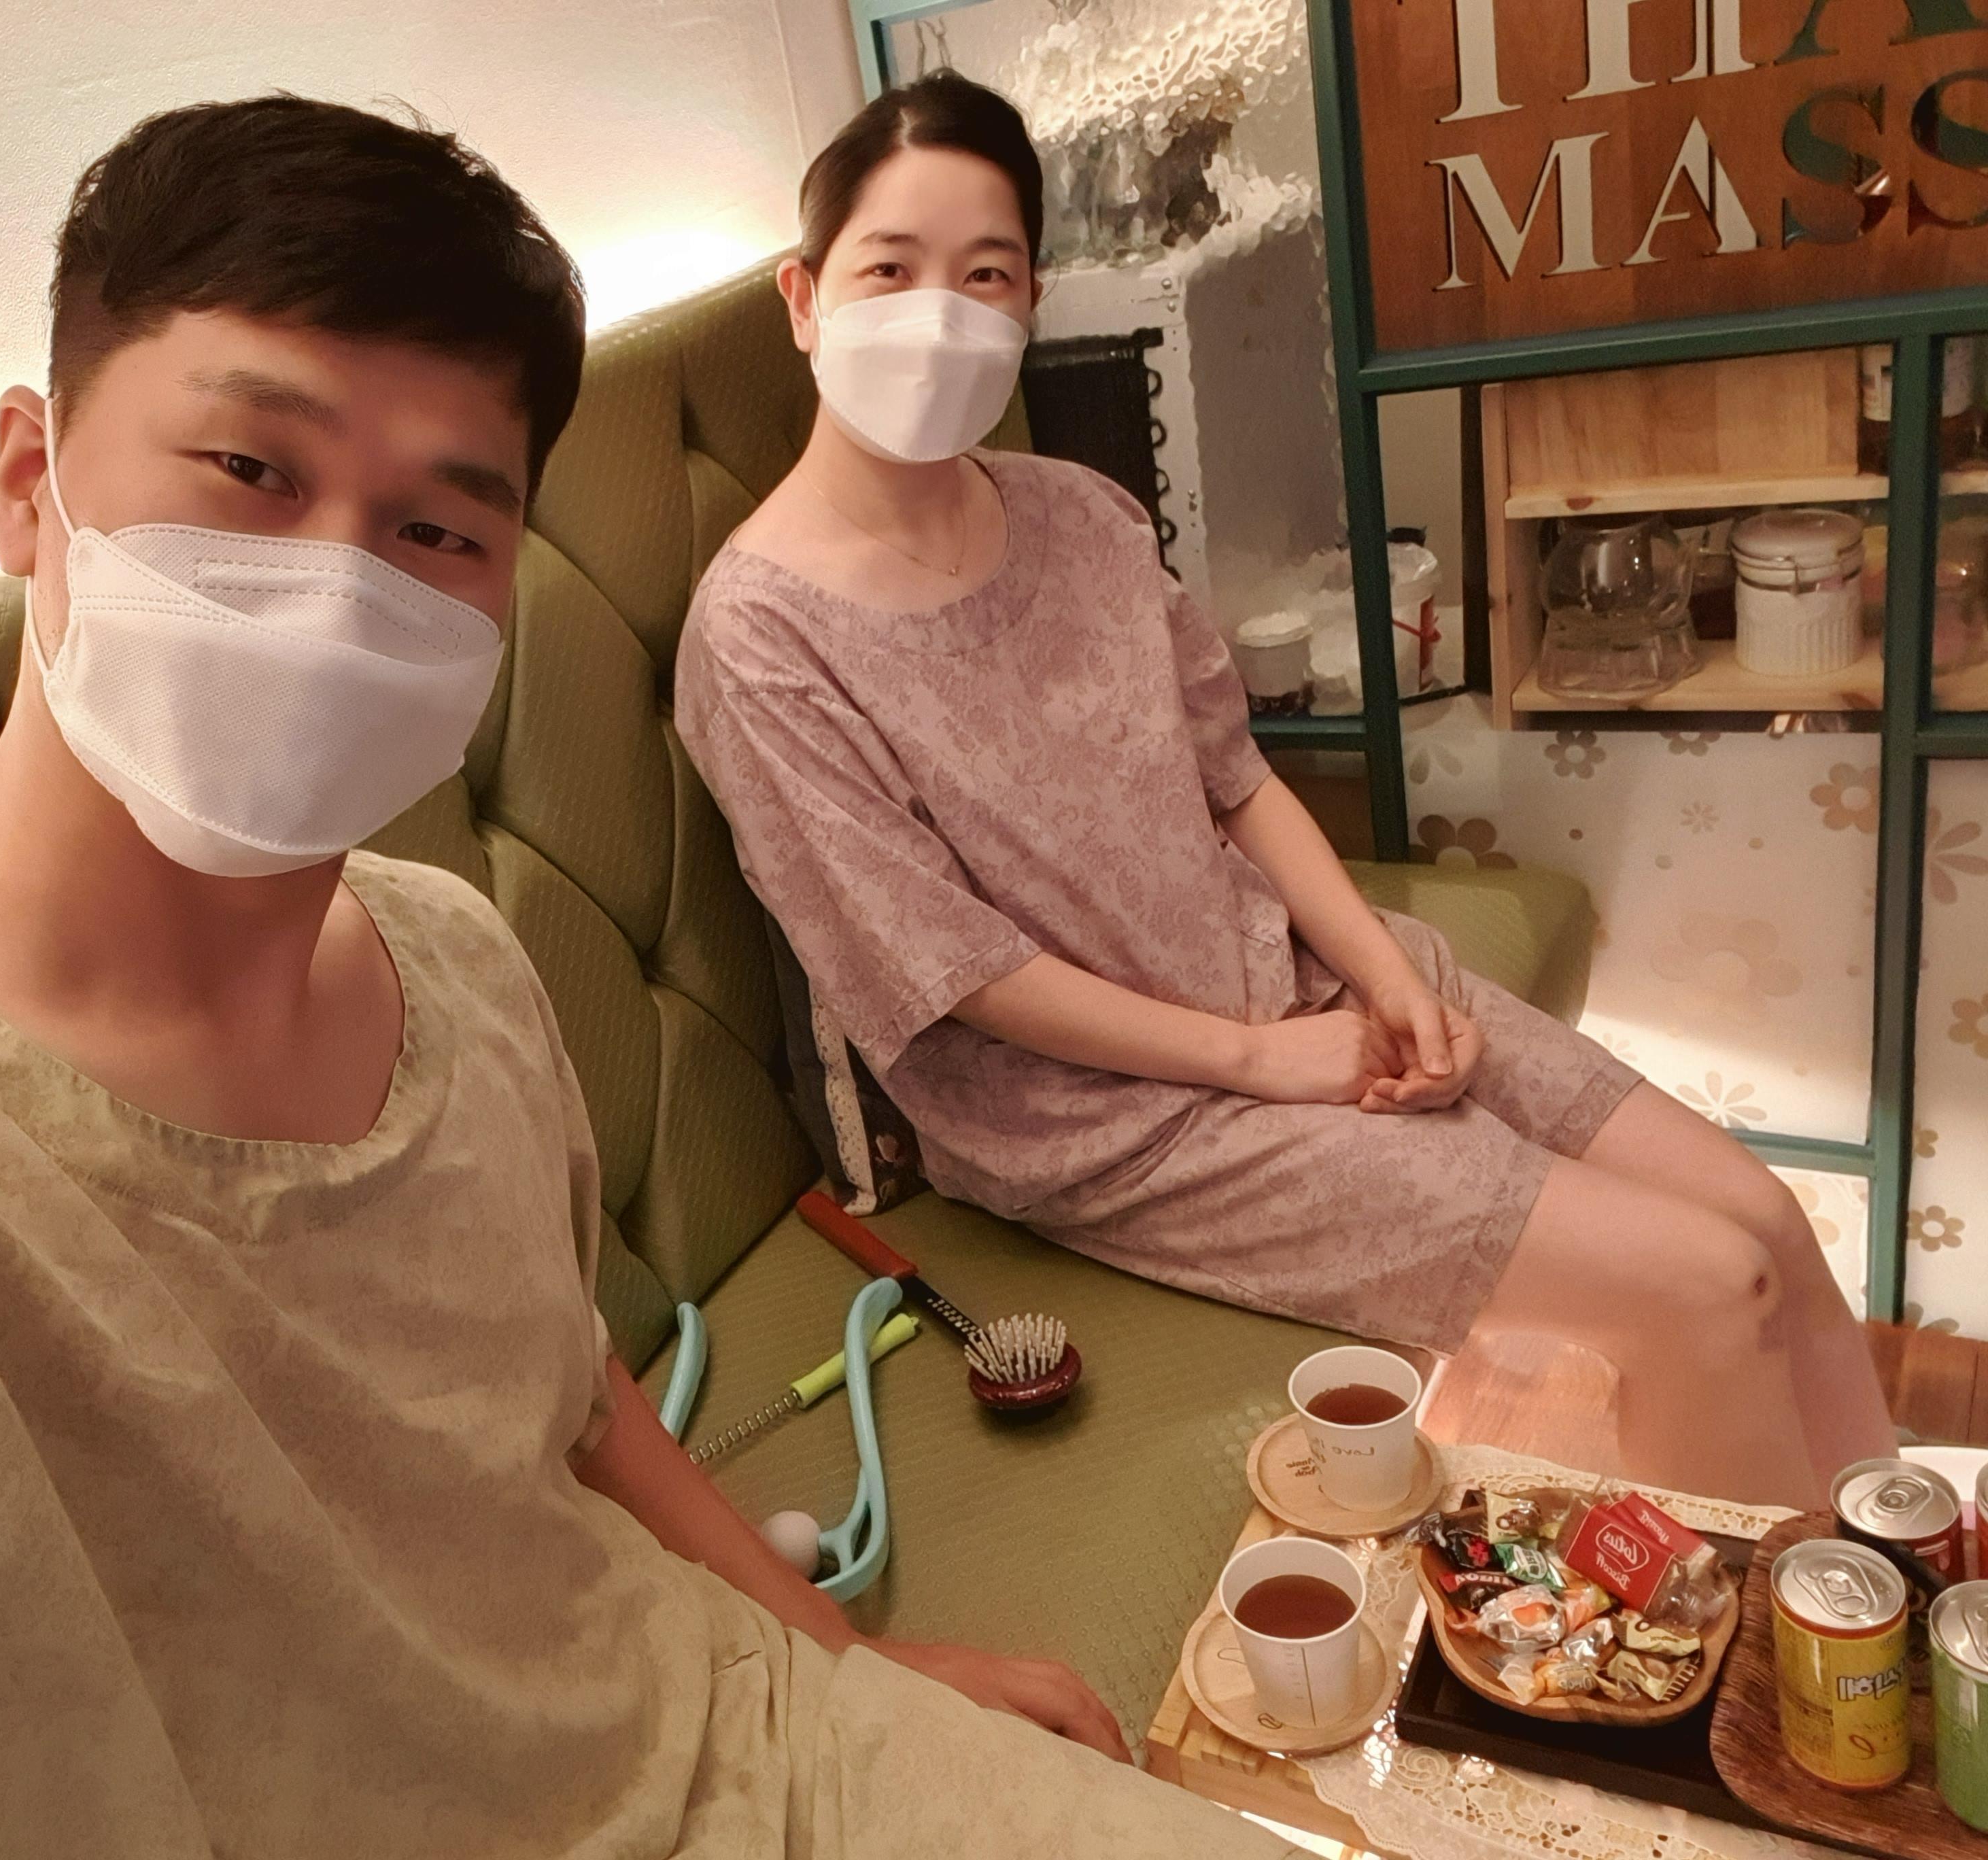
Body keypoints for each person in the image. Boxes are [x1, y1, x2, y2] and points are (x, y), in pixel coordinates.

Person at [0, 94, 1320, 1860]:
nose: (333, 593)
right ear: (29, 481)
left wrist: (847, 1668)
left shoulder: (453, 955)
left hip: (747, 1740)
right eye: (252, 471)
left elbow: (578, 1398)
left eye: (438, 532)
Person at [672, 70, 1894, 1512]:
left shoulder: (1080, 513)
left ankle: (1886, 1580)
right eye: (891, 270)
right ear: (805, 296)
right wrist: (1263, 1062)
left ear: (1029, 301)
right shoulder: (760, 640)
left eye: (985, 274)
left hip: (1301, 987)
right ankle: (1763, 1654)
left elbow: (1237, 783)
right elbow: (958, 974)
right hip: (1117, 1125)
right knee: (1705, 1285)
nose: (938, 314)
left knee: (1766, 1218)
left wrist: (1385, 977)